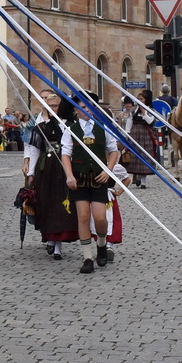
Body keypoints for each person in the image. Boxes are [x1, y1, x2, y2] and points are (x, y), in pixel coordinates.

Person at [68, 97, 123, 273]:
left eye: (89, 107)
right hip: (80, 179)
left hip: (99, 179)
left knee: (100, 218)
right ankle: (87, 257)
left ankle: (101, 244)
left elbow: (113, 151)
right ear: (76, 110)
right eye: (82, 107)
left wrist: (108, 170)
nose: (86, 110)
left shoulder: (102, 128)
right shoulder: (70, 130)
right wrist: (69, 175)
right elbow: (65, 154)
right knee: (83, 216)